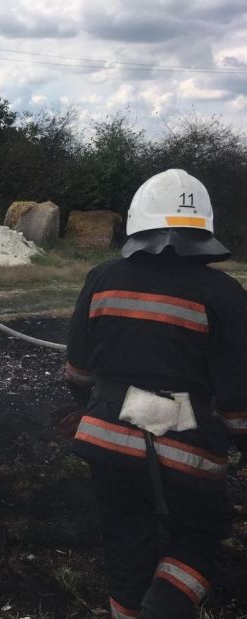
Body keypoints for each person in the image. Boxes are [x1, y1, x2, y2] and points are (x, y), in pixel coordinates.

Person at [65, 169, 247, 619]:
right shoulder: (225, 295)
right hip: (189, 451)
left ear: (135, 222)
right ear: (203, 226)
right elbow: (238, 401)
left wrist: (90, 409)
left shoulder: (101, 278)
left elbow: (77, 371)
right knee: (200, 540)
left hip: (106, 439)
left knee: (127, 543)